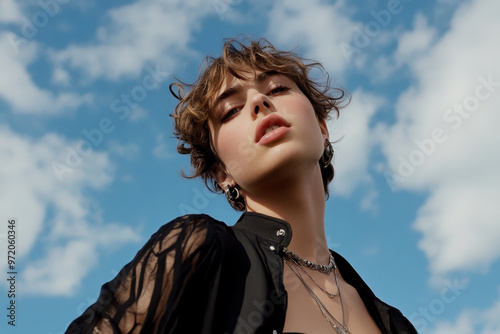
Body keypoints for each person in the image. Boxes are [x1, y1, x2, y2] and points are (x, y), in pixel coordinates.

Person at [66, 37, 417, 334]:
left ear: (322, 126)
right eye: (231, 110)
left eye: (277, 88)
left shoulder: (394, 323)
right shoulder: (198, 250)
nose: (259, 102)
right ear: (221, 173)